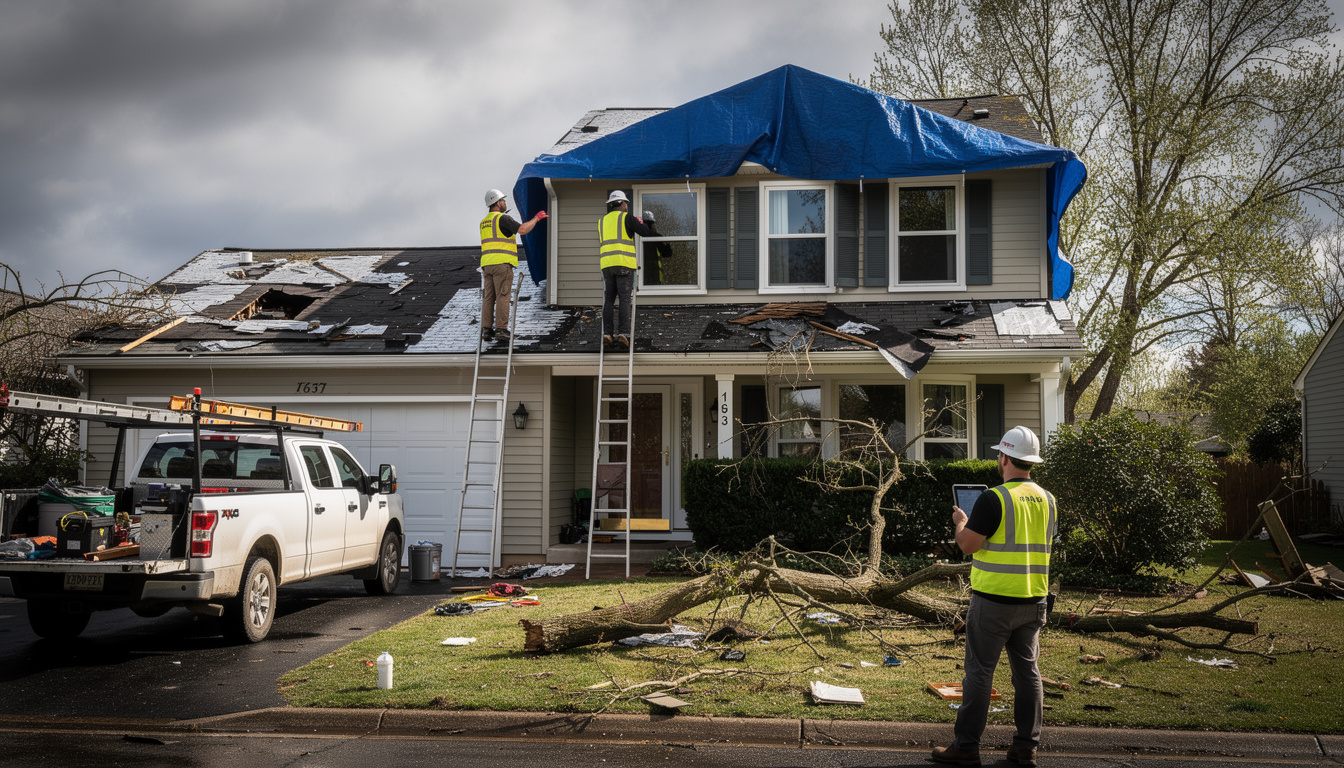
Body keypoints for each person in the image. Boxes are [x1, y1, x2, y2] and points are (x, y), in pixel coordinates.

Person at [933, 425, 1056, 768]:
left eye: (1000, 456)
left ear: (1004, 458)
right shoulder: (1048, 499)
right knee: (1028, 674)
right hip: (1033, 600)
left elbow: (968, 545)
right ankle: (1026, 747)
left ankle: (966, 747)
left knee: (979, 672)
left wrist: (961, 522)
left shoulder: (994, 498)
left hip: (993, 602)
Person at [479, 189, 546, 343]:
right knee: (503, 296)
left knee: (488, 298)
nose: (504, 203)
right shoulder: (503, 218)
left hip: (487, 265)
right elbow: (522, 230)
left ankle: (486, 329)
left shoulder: (484, 222)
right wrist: (536, 218)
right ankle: (501, 329)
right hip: (501, 264)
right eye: (502, 200)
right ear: (497, 203)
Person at [597, 190, 653, 349]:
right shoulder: (627, 218)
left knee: (609, 299)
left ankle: (607, 334)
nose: (626, 206)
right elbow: (646, 233)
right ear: (622, 204)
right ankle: (623, 334)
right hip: (624, 264)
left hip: (607, 265)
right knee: (624, 299)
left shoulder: (601, 222)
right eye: (626, 204)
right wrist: (644, 222)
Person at [640, 209, 673, 286]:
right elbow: (668, 253)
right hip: (654, 276)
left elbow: (667, 253)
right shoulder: (657, 237)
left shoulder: (637, 238)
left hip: (645, 275)